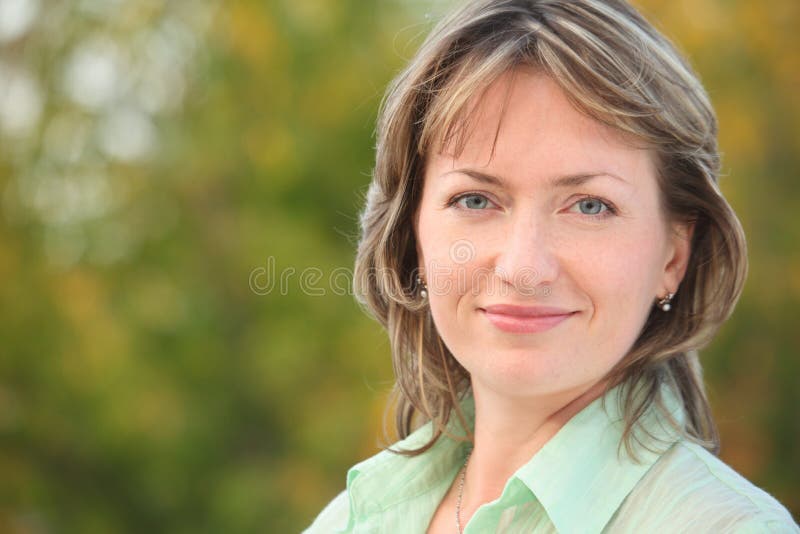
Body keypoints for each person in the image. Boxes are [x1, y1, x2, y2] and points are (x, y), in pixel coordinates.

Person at [306, 1, 799, 532]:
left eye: (590, 206)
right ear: (412, 239)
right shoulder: (352, 518)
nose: (524, 268)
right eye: (475, 200)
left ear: (673, 257)